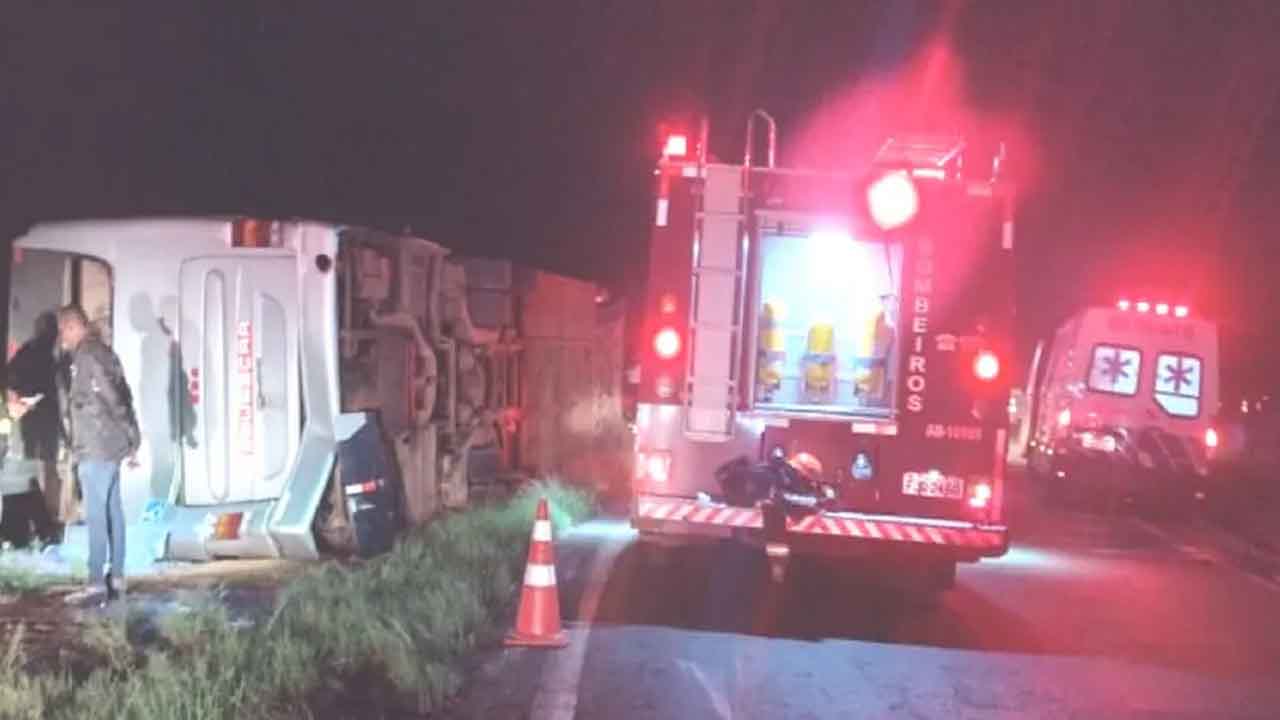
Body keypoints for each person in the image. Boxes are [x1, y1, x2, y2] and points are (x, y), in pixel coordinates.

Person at [56, 305, 140, 606]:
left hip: (95, 445)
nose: (61, 337)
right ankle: (116, 576)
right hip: (111, 444)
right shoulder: (106, 352)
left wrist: (79, 444)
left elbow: (108, 398)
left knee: (96, 515)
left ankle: (95, 583)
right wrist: (131, 436)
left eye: (63, 330)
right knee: (113, 512)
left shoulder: (85, 357)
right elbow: (123, 395)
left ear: (73, 327)